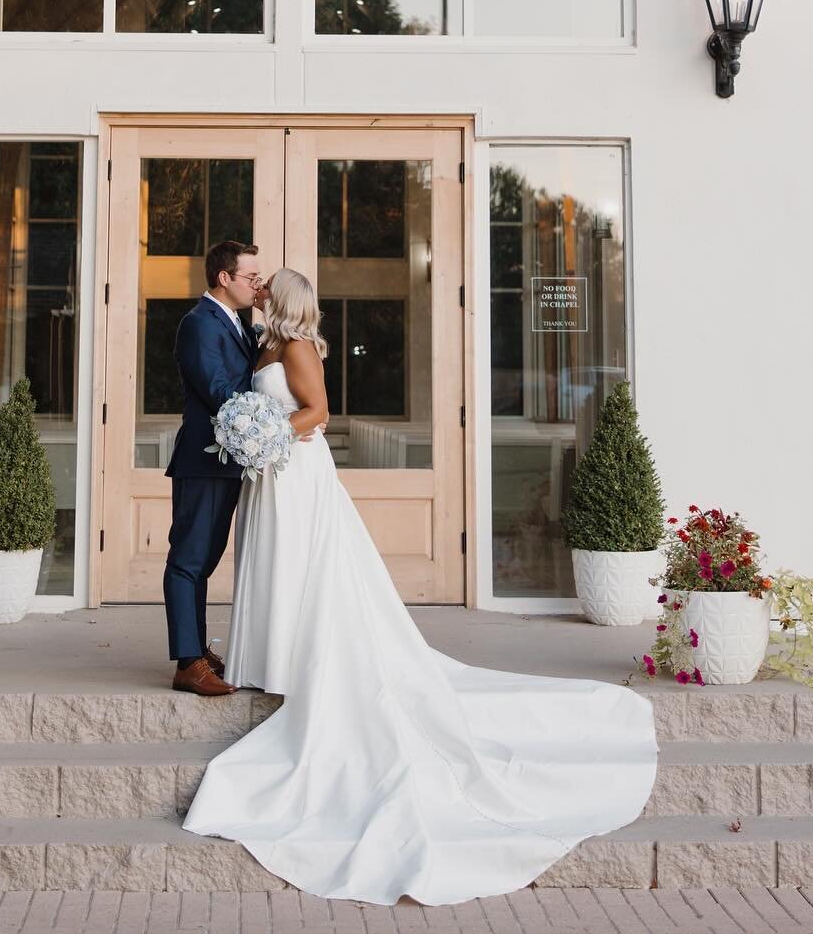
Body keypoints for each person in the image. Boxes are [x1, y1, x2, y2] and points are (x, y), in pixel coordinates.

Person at [182, 268, 660, 905]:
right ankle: (272, 655)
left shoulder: (297, 347)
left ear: (287, 300)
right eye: (257, 283)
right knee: (271, 565)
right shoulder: (263, 343)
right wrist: (254, 435)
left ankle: (305, 656)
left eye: (269, 286)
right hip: (269, 474)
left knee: (306, 567)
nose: (260, 290)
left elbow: (318, 413)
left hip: (296, 472)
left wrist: (269, 433)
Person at [163, 239, 323, 696]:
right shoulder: (199, 325)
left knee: (205, 560)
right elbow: (222, 394)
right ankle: (187, 662)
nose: (257, 284)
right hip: (204, 461)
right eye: (251, 277)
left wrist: (287, 425)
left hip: (236, 460)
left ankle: (196, 648)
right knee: (189, 560)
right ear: (224, 278)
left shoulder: (239, 324)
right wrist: (281, 426)